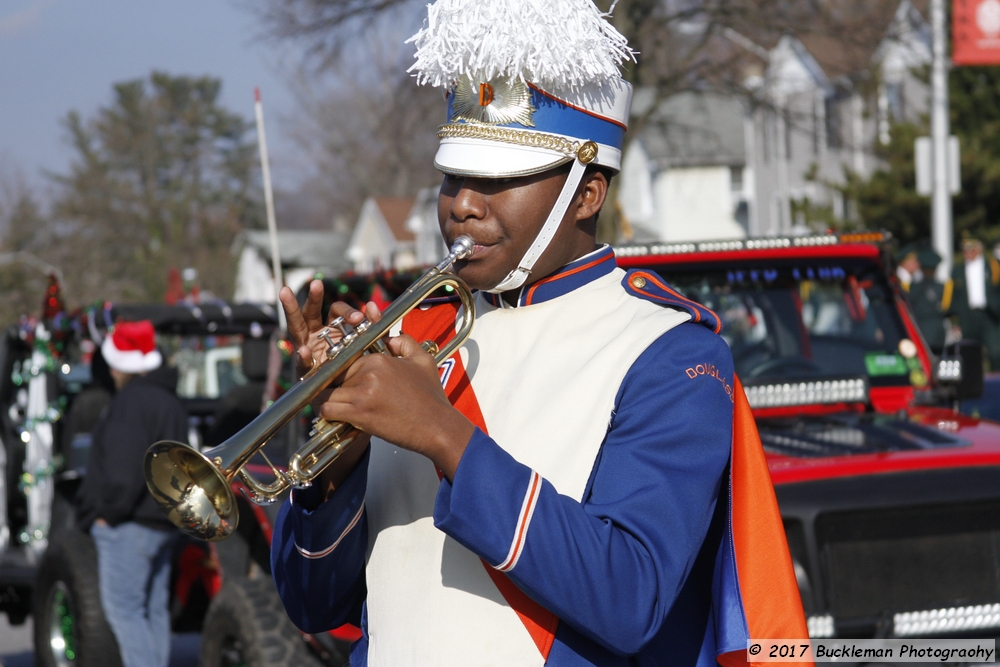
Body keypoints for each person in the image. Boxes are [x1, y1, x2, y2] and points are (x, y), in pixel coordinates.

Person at [270, 1, 807, 665]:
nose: (463, 203)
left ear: (587, 194)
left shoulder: (669, 352)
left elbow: (630, 595)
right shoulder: (413, 331)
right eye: (454, 176)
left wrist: (442, 432)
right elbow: (310, 603)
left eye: (499, 179)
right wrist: (336, 465)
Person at [76, 320, 188, 667]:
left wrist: (108, 513)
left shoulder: (131, 403)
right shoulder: (169, 401)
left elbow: (124, 471)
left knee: (126, 613)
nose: (110, 369)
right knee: (152, 612)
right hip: (162, 523)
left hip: (129, 525)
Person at [946, 238, 1000, 370]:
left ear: (979, 249)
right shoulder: (957, 270)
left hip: (989, 314)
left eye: (971, 249)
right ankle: (972, 384)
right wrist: (955, 322)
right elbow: (954, 297)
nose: (967, 253)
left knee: (995, 353)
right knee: (969, 353)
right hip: (967, 315)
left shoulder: (993, 265)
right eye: (965, 250)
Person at [906, 246, 948, 355]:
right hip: (937, 334)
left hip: (917, 332)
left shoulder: (911, 287)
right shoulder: (943, 287)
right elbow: (949, 310)